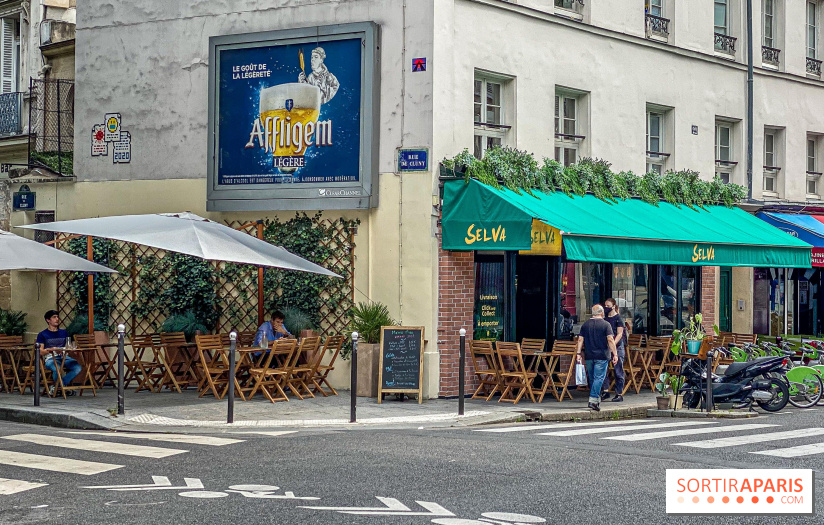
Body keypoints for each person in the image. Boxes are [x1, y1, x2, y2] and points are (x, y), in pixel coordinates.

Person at [576, 304, 618, 411]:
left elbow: (580, 340)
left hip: (589, 355)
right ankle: (593, 400)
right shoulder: (606, 325)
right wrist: (615, 354)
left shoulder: (585, 325)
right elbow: (610, 340)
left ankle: (596, 399)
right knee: (599, 378)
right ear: (602, 313)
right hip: (602, 355)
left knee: (592, 378)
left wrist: (578, 353)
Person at [35, 310, 81, 397]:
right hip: (50, 358)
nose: (57, 319)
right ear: (48, 320)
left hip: (64, 357)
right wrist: (51, 349)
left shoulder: (63, 332)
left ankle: (57, 387)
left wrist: (73, 350)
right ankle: (62, 388)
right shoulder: (43, 334)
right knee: (57, 368)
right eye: (54, 317)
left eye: (57, 317)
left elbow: (69, 345)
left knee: (77, 367)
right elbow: (40, 351)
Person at [603, 298, 627, 402]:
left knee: (618, 370)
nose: (606, 308)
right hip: (607, 346)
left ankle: (619, 393)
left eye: (608, 306)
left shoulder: (618, 318)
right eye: (605, 306)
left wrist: (613, 344)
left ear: (613, 306)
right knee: (604, 369)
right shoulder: (604, 318)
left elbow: (620, 334)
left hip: (617, 346)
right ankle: (605, 390)